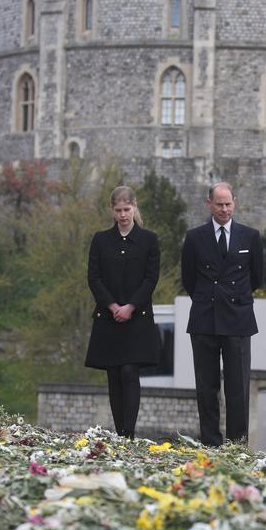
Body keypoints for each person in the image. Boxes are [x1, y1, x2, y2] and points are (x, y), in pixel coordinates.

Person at [181, 182, 263, 446]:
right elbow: (189, 278)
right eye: (219, 204)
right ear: (209, 204)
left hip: (238, 320)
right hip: (205, 318)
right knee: (206, 388)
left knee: (237, 387)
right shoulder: (194, 238)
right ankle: (210, 443)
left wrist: (234, 300)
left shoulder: (250, 236)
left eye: (228, 204)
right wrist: (208, 299)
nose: (225, 209)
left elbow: (257, 278)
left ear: (235, 202)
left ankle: (237, 444)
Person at [85, 185, 160, 439]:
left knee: (129, 371)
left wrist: (130, 306)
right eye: (118, 210)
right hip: (108, 317)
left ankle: (129, 432)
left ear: (134, 207)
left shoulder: (149, 240)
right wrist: (113, 306)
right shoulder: (100, 240)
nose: (123, 215)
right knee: (114, 373)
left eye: (127, 209)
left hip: (137, 317)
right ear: (112, 210)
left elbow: (151, 279)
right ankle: (119, 433)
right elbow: (94, 278)